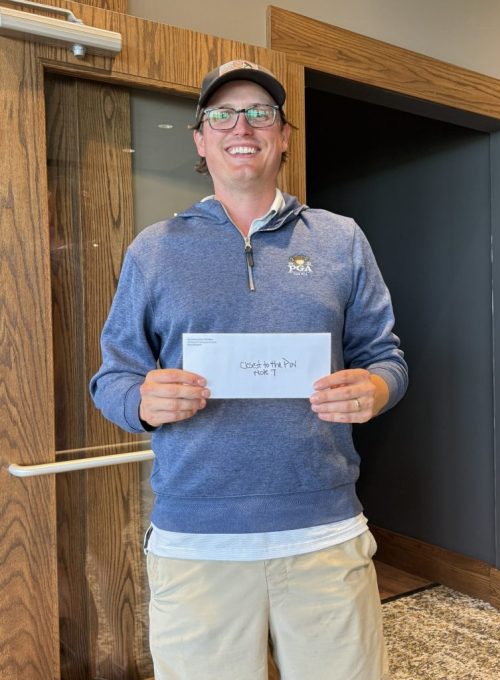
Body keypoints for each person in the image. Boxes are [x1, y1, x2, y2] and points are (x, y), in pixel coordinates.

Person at [90, 59, 408, 680]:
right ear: (200, 139)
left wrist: (376, 388)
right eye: (223, 114)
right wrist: (141, 402)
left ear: (283, 135)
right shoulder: (154, 249)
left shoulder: (341, 240)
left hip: (323, 534)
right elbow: (113, 379)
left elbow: (386, 356)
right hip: (196, 543)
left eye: (261, 113)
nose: (243, 126)